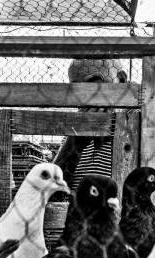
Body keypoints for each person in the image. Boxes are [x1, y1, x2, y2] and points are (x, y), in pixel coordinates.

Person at [53, 59, 127, 190]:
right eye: (76, 88)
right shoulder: (71, 132)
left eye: (93, 86)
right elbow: (52, 191)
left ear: (121, 81)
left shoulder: (136, 129)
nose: (85, 97)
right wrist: (74, 143)